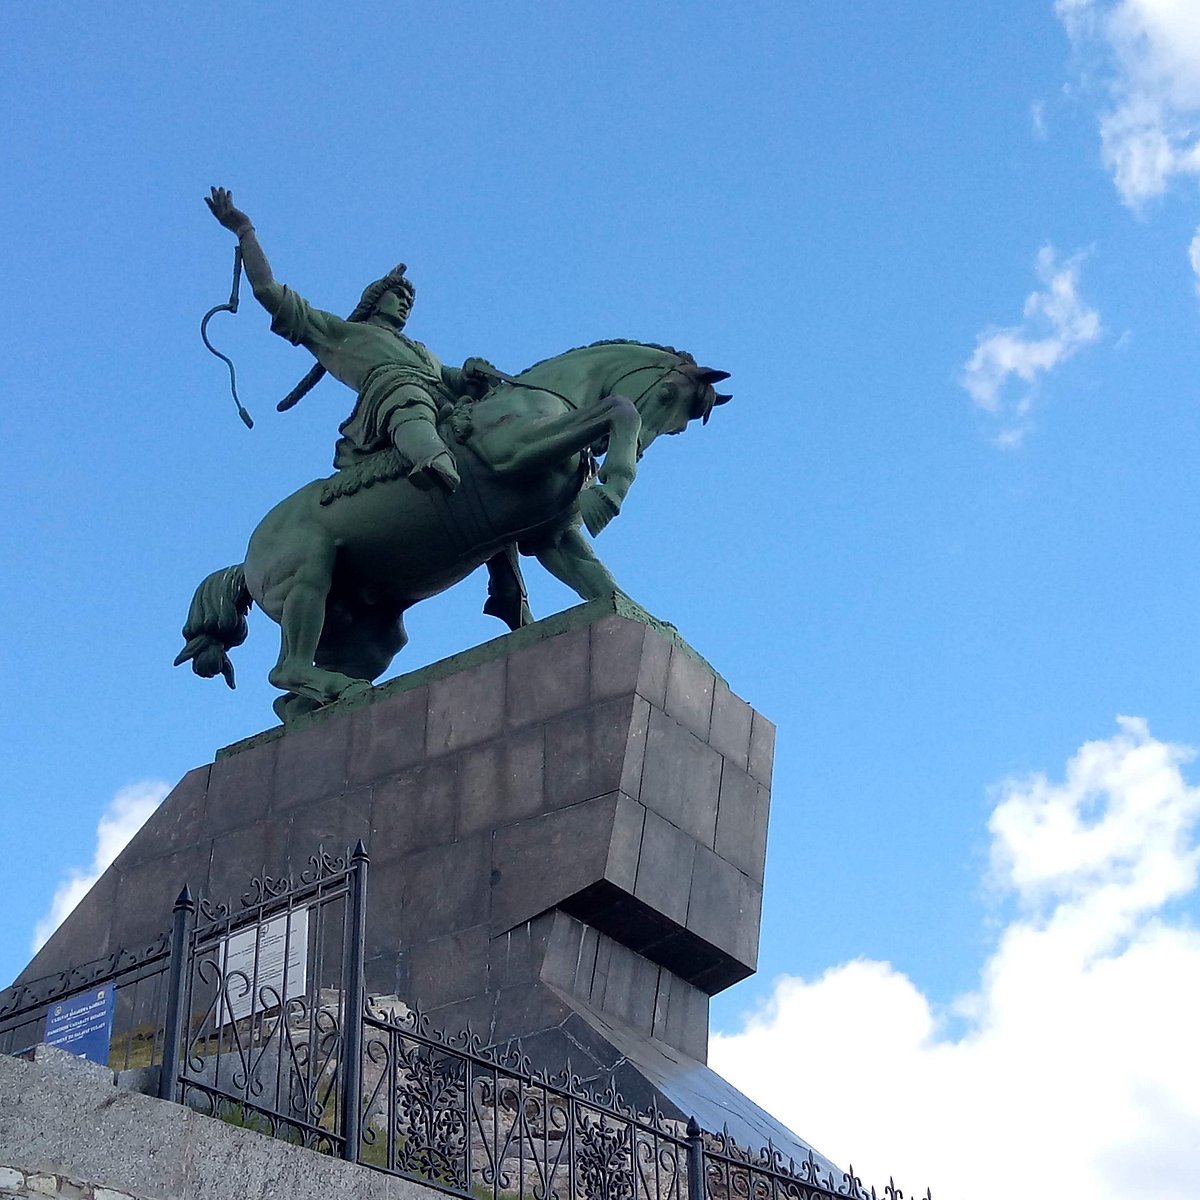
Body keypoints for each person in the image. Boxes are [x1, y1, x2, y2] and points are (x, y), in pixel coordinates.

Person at [205, 186, 494, 493]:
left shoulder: (423, 352)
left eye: (410, 298)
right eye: (398, 294)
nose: (406, 302)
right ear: (375, 299)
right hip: (392, 395)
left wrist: (471, 372)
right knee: (408, 398)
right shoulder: (343, 333)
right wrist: (244, 230)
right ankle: (431, 459)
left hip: (443, 400)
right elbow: (268, 291)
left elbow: (450, 378)